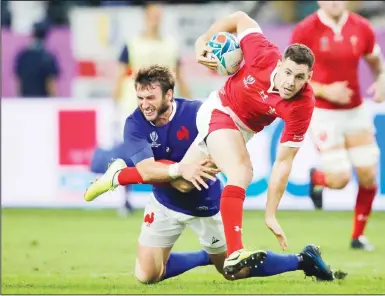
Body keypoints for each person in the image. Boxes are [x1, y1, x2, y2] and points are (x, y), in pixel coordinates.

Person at [86, 11, 316, 275]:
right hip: (219, 110)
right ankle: (236, 251)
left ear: (309, 78)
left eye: (299, 77)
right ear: (280, 64)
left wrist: (271, 213)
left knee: (183, 182)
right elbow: (241, 18)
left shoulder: (303, 105)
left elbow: (284, 162)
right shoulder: (262, 53)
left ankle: (119, 175)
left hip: (240, 131)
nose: (290, 82)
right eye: (287, 72)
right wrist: (202, 41)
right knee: (241, 172)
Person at [289, 1, 385, 251]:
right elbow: (286, 77)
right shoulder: (305, 30)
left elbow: (377, 63)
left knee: (368, 174)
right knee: (340, 178)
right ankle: (318, 178)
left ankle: (358, 236)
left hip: (355, 111)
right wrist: (326, 90)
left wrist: (382, 80)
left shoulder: (362, 28)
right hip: (323, 113)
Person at [111, 2, 191, 216]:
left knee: (168, 151)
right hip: (134, 104)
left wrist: (190, 102)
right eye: (153, 15)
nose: (156, 19)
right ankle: (124, 200)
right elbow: (120, 75)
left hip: (165, 108)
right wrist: (115, 103)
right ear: (145, 17)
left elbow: (178, 75)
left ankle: (169, 199)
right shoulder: (132, 44)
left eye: (159, 15)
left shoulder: (170, 45)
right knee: (133, 153)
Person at [14, 21, 60, 98]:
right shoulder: (47, 57)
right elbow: (51, 82)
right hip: (42, 101)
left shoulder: (23, 56)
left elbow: (18, 82)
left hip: (25, 101)